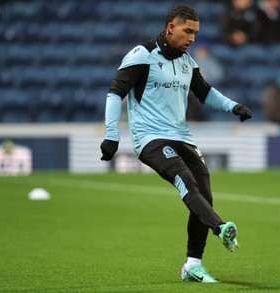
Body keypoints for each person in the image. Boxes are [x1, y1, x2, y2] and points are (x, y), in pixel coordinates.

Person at [99, 4, 252, 283]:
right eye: (187, 31)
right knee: (186, 182)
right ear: (171, 28)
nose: (192, 38)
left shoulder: (187, 61)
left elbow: (205, 93)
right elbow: (114, 94)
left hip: (183, 136)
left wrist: (233, 107)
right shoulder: (141, 55)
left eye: (195, 33)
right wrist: (111, 136)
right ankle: (220, 228)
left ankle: (193, 265)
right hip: (150, 138)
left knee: (204, 194)